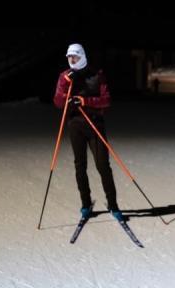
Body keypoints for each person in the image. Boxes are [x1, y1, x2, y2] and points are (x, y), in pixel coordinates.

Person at [53, 43, 124, 221]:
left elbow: (106, 100)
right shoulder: (65, 76)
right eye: (69, 57)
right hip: (75, 125)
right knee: (80, 165)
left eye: (75, 57)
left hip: (94, 125)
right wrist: (64, 84)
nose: (71, 60)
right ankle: (85, 204)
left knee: (102, 165)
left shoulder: (96, 75)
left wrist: (85, 101)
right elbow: (58, 102)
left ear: (82, 56)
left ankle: (113, 205)